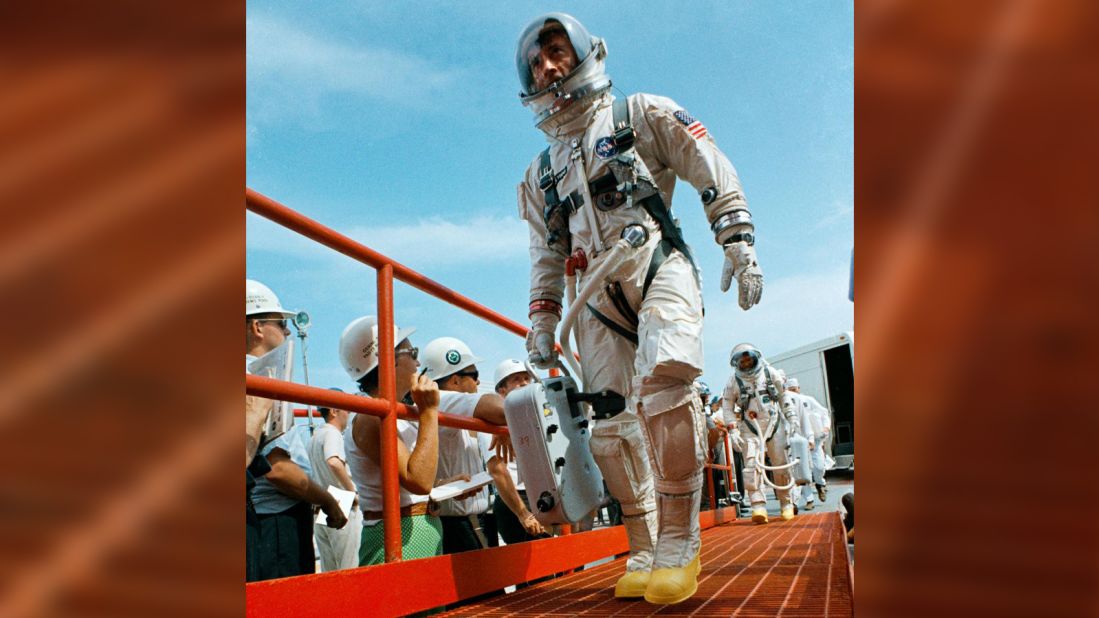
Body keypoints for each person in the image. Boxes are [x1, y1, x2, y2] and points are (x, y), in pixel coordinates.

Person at [514, 13, 763, 604]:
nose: (548, 66)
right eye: (536, 61)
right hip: (593, 299)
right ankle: (644, 546)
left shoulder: (640, 114)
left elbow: (708, 164)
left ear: (585, 52)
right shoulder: (541, 174)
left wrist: (738, 239)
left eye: (556, 50)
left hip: (656, 265)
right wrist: (543, 320)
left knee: (668, 381)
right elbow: (545, 254)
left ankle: (679, 544)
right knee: (611, 427)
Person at [245, 280, 347, 581]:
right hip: (275, 523)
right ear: (258, 327)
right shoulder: (257, 381)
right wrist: (328, 500)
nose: (288, 331)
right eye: (281, 323)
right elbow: (277, 469)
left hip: (269, 519)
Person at [338, 316, 443, 565]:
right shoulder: (370, 416)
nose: (418, 362)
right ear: (389, 361)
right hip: (399, 534)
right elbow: (418, 480)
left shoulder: (392, 412)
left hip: (415, 529)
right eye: (412, 352)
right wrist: (429, 412)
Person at [421, 337, 512, 554]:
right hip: (458, 525)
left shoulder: (447, 407)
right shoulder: (443, 398)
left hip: (469, 522)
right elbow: (501, 409)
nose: (478, 383)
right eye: (474, 375)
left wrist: (498, 427)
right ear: (454, 381)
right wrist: (501, 423)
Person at [721, 343, 799, 525]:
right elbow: (727, 406)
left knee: (781, 464)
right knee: (751, 467)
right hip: (750, 427)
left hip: (774, 424)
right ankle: (758, 506)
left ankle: (786, 504)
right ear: (737, 362)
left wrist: (791, 417)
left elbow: (783, 396)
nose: (746, 362)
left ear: (755, 357)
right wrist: (732, 429)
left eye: (748, 358)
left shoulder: (770, 373)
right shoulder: (733, 381)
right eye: (743, 360)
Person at [487, 359, 548, 544]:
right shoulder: (490, 421)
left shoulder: (535, 418)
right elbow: (498, 471)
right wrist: (523, 513)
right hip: (515, 500)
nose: (524, 383)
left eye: (526, 378)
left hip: (539, 495)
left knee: (554, 562)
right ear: (501, 390)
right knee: (534, 568)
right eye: (516, 379)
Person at [307, 391, 363, 572]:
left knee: (329, 569)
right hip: (341, 504)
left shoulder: (315, 436)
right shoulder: (333, 434)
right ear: (333, 411)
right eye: (345, 408)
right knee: (349, 567)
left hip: (322, 505)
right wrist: (352, 490)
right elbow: (333, 461)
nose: (348, 413)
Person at [786, 377, 831, 502]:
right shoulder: (787, 403)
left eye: (794, 389)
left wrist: (826, 427)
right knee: (802, 470)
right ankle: (809, 499)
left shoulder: (809, 400)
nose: (793, 393)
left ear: (799, 389)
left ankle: (820, 484)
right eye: (790, 390)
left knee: (819, 467)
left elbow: (824, 413)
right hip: (799, 442)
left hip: (815, 440)